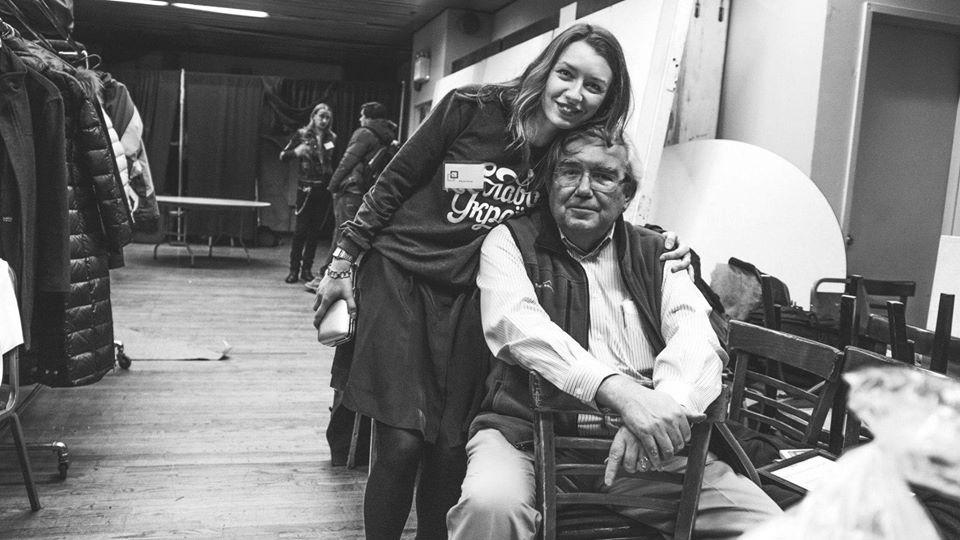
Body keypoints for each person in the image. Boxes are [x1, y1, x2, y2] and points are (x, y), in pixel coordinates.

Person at [313, 24, 689, 539]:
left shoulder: (563, 155)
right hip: (402, 279)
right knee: (400, 444)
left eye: (593, 86)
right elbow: (391, 185)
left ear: (608, 99)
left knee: (450, 448)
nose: (574, 93)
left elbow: (600, 204)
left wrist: (660, 241)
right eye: (566, 74)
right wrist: (342, 263)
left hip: (474, 299)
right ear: (546, 69)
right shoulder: (471, 109)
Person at [446, 127, 782, 539]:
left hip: (643, 448)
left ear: (627, 194)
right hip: (524, 436)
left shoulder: (658, 252)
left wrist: (659, 410)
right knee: (489, 507)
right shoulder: (510, 241)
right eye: (570, 171)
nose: (583, 189)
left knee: (775, 528)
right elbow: (518, 326)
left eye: (604, 176)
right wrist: (623, 394)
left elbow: (697, 337)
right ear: (549, 182)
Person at [305, 102, 397, 292]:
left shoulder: (364, 133)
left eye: (363, 115)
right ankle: (334, 275)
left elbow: (347, 162)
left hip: (349, 189)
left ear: (370, 118)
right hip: (363, 190)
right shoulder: (386, 135)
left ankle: (327, 277)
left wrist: (332, 185)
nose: (360, 119)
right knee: (347, 234)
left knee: (342, 235)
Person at [280, 103, 337, 284]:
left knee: (314, 232)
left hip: (323, 189)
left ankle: (306, 269)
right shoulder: (302, 134)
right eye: (321, 116)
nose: (324, 121)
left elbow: (335, 163)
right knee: (300, 231)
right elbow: (283, 156)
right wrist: (296, 152)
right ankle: (293, 269)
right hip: (305, 188)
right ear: (313, 116)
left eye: (327, 118)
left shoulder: (332, 138)